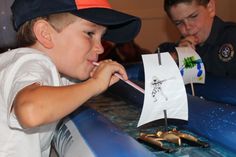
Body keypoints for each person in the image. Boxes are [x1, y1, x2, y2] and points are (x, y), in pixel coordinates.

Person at [0, 0, 141, 157]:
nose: (100, 47)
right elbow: (30, 110)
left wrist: (94, 76)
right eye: (90, 34)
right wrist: (94, 85)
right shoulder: (31, 61)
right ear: (45, 34)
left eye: (102, 37)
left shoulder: (51, 71)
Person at [159, 0, 236, 78]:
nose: (187, 27)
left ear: (210, 8)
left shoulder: (232, 37)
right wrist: (178, 57)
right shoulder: (177, 48)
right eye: (178, 23)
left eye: (193, 16)